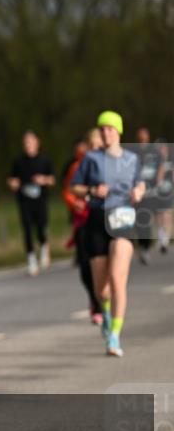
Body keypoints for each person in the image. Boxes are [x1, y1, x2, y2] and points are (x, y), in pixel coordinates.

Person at [70, 111, 146, 357]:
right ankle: (103, 311)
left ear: (119, 131)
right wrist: (93, 189)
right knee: (101, 289)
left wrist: (138, 192)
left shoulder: (132, 159)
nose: (105, 133)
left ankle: (115, 335)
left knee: (117, 279)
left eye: (110, 128)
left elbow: (140, 183)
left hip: (123, 219)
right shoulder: (91, 158)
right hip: (97, 220)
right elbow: (75, 188)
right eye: (102, 129)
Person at [62, 129, 104, 325]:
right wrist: (74, 202)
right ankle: (95, 301)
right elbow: (68, 190)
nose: (96, 149)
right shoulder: (79, 166)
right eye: (92, 146)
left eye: (99, 145)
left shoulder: (111, 166)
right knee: (86, 266)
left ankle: (104, 300)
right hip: (84, 220)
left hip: (106, 220)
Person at [8, 131, 56, 276]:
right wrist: (13, 183)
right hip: (24, 201)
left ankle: (43, 247)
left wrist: (43, 180)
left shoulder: (44, 161)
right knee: (27, 230)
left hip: (40, 200)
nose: (28, 145)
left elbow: (52, 180)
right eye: (25, 143)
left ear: (37, 143)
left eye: (30, 142)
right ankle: (31, 260)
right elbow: (12, 180)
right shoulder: (18, 162)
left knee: (41, 227)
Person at [132, 127, 162, 264]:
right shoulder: (133, 151)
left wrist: (158, 181)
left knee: (146, 219)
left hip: (150, 191)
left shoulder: (154, 151)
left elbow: (161, 166)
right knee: (138, 220)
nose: (142, 137)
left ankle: (145, 247)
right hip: (137, 191)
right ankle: (142, 246)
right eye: (140, 135)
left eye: (144, 135)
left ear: (148, 136)